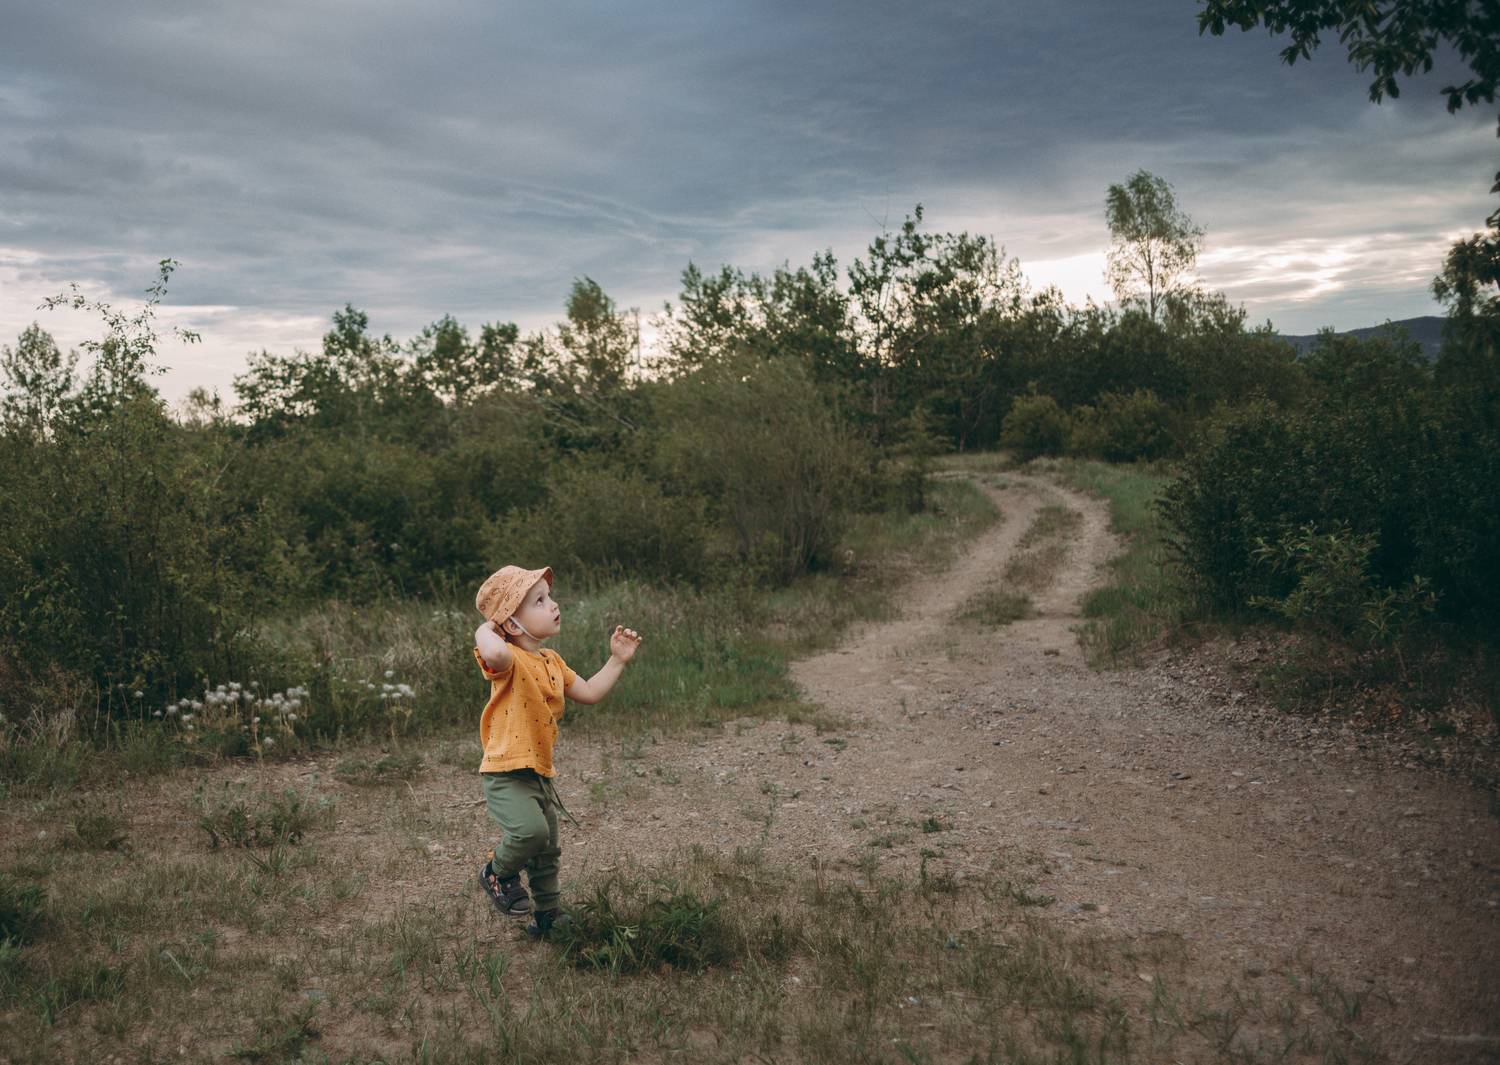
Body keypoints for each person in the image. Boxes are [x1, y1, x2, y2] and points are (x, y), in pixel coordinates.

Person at [472, 564, 641, 939]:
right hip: (505, 773)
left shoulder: (552, 661)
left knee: (547, 848)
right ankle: (497, 872)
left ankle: (547, 915)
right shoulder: (508, 659)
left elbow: (590, 692)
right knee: (530, 833)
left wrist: (617, 660)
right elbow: (494, 654)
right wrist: (487, 627)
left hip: (539, 772)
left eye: (549, 597)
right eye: (539, 601)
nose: (553, 604)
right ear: (512, 624)